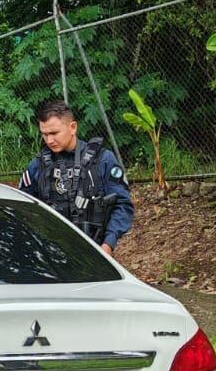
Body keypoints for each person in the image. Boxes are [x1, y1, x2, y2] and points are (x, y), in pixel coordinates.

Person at [18, 99, 134, 254]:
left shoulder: (103, 159)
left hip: (94, 251)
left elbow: (123, 205)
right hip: (50, 252)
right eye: (44, 134)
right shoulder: (37, 165)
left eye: (54, 133)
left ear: (73, 127)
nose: (49, 140)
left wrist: (108, 245)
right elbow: (22, 209)